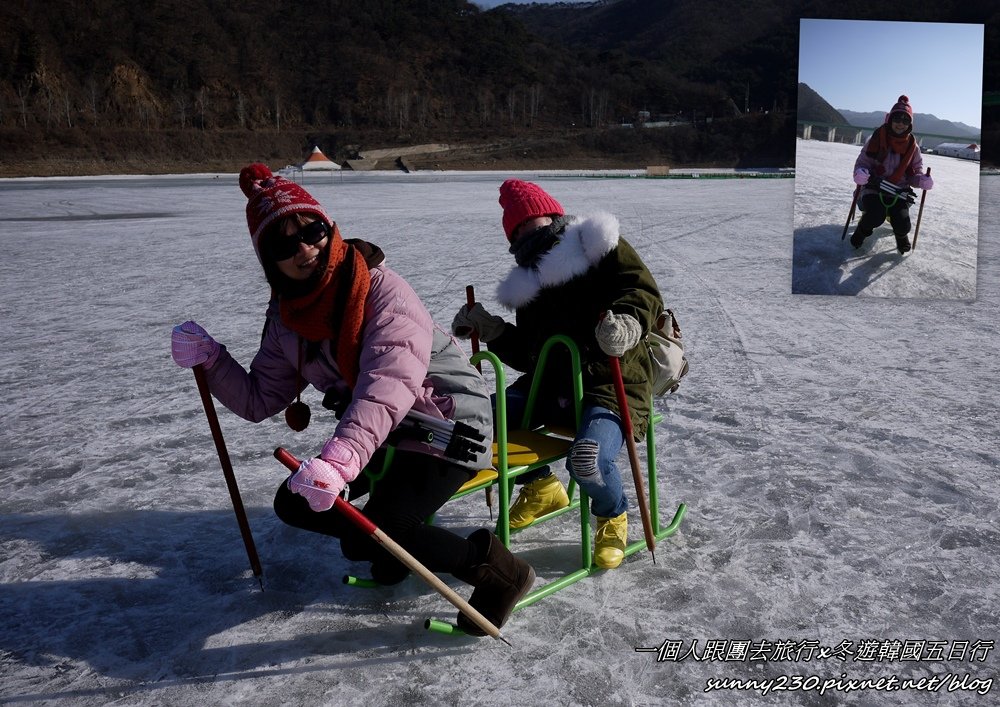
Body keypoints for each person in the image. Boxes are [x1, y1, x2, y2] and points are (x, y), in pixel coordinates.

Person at [171, 163, 534, 636]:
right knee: (297, 503)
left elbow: (389, 382)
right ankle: (387, 551)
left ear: (329, 227)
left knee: (386, 526)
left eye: (312, 230)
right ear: (268, 260)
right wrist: (212, 359)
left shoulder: (383, 291)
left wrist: (340, 461)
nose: (304, 249)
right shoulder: (287, 319)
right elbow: (260, 398)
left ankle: (500, 572)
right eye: (284, 245)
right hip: (386, 433)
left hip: (447, 422)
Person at [451, 179, 664, 569]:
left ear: (554, 213)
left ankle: (612, 513)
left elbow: (642, 290)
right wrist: (492, 329)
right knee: (474, 419)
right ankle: (540, 487)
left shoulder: (596, 244)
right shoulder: (529, 282)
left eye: (534, 218)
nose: (528, 229)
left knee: (587, 458)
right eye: (517, 228)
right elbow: (533, 354)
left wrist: (629, 323)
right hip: (547, 390)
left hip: (609, 383)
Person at [850, 95, 934, 254]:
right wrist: (860, 172)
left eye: (905, 120)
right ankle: (861, 231)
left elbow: (915, 173)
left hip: (898, 191)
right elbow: (863, 162)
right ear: (889, 119)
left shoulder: (913, 147)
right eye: (897, 118)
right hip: (873, 188)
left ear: (910, 124)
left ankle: (901, 237)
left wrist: (921, 180)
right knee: (875, 215)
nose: (900, 123)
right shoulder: (876, 139)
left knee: (903, 223)